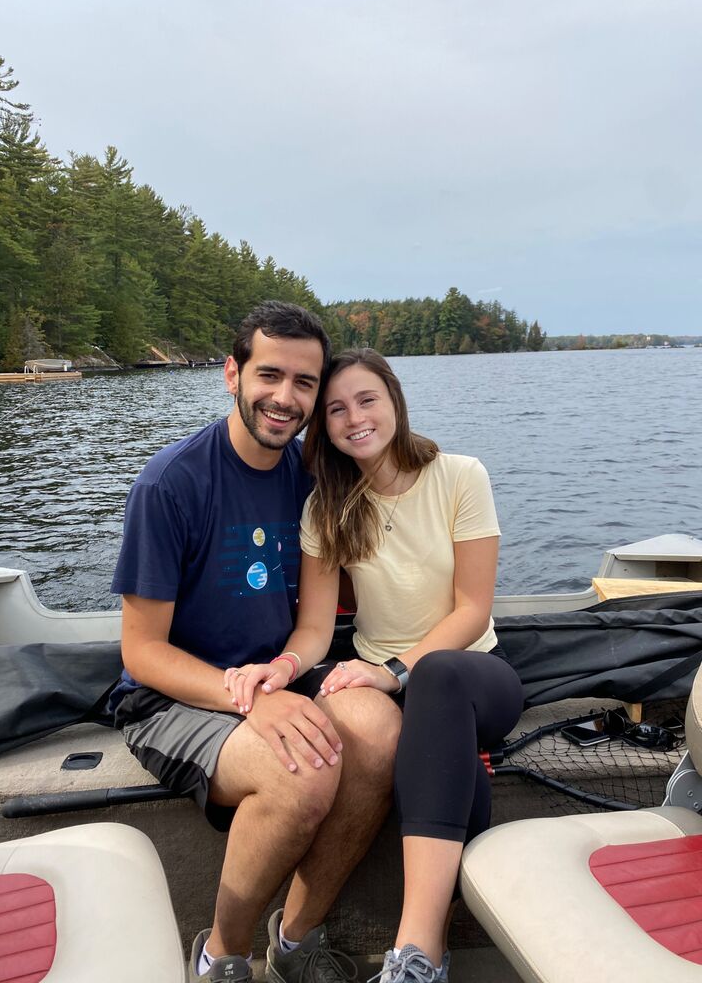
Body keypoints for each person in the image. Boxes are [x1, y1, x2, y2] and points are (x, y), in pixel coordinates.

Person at [109, 308, 400, 983]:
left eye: (305, 382)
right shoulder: (171, 484)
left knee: (380, 733)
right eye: (269, 374)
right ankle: (224, 956)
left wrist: (275, 681)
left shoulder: (314, 478)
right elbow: (141, 652)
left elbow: (317, 619)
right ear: (232, 374)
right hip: (173, 696)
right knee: (299, 773)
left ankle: (295, 941)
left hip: (279, 672)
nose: (286, 397)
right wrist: (246, 701)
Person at [225, 348, 524, 983]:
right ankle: (425, 961)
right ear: (323, 427)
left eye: (367, 400)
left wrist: (394, 670)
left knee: (439, 678)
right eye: (335, 410)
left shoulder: (461, 476)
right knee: (440, 761)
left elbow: (472, 609)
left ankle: (413, 950)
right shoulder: (327, 507)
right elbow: (313, 628)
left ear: (394, 401)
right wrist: (281, 667)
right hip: (391, 688)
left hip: (473, 675)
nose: (354, 418)